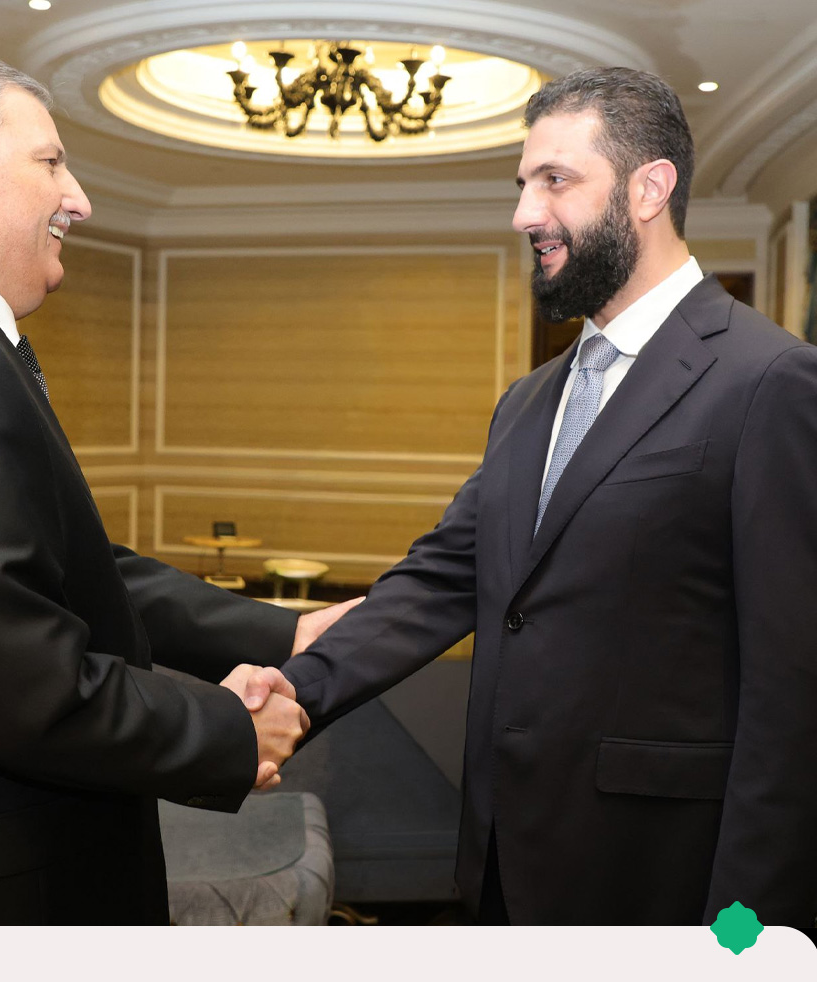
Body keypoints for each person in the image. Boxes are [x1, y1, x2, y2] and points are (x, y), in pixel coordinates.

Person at [0, 54, 353, 924]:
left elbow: (67, 569)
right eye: (51, 162)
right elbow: (25, 689)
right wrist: (229, 731)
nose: (77, 199)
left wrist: (281, 630)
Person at [249, 67, 817, 927]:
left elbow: (794, 696)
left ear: (649, 189)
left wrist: (746, 938)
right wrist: (289, 693)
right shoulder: (528, 402)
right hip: (502, 869)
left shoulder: (771, 380)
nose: (524, 214)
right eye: (523, 184)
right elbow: (441, 580)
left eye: (555, 180)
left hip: (662, 889)